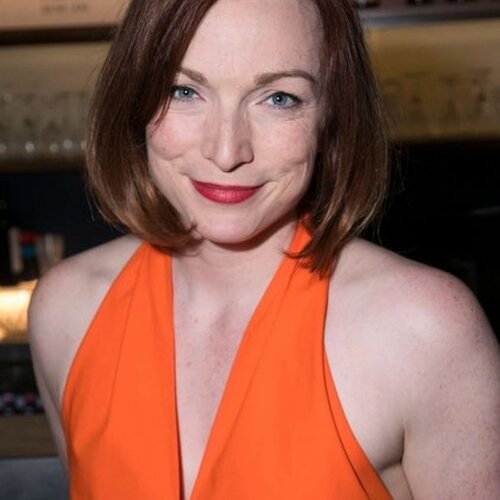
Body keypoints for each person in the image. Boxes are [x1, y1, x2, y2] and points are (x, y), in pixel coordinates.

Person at [28, 0, 500, 498]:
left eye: (278, 98)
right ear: (135, 97)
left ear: (331, 116)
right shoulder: (66, 310)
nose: (227, 151)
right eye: (183, 90)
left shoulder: (423, 330)